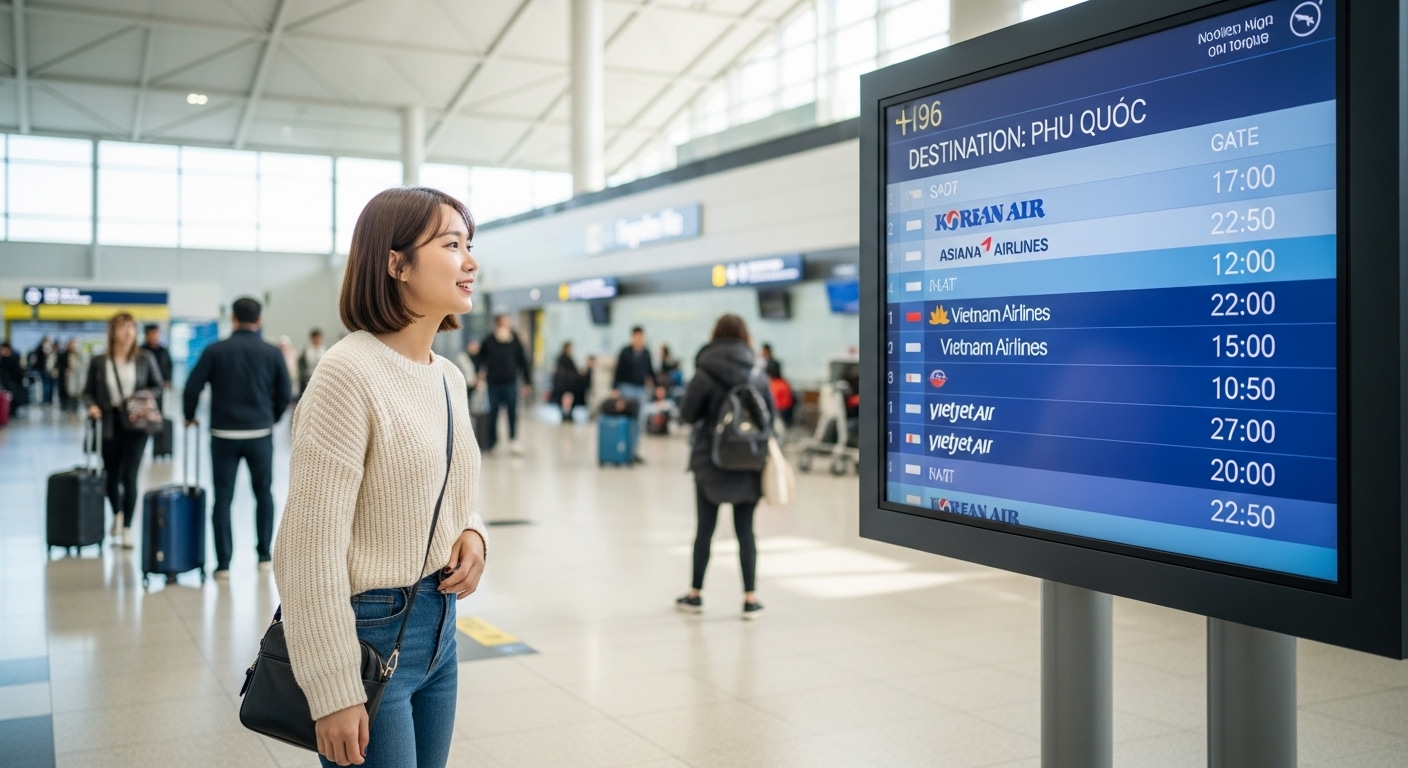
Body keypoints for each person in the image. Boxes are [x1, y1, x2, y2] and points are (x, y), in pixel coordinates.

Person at [273, 186, 487, 768]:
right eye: (451, 244)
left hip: (439, 628)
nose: (470, 261)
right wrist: (334, 688)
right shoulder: (348, 372)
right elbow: (306, 548)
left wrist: (471, 531)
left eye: (470, 244)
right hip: (367, 631)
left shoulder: (449, 376)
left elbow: (454, 485)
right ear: (396, 263)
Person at [182, 297, 291, 577]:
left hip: (223, 435)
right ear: (259, 320)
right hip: (259, 433)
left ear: (232, 319)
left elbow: (191, 387)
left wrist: (189, 414)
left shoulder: (215, 351)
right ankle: (264, 555)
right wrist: (272, 418)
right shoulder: (271, 352)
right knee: (263, 494)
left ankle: (223, 564)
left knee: (223, 498)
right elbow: (284, 392)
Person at [675, 315, 775, 619]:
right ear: (745, 337)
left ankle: (695, 594)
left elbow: (687, 415)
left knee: (705, 530)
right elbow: (770, 416)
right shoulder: (758, 372)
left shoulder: (704, 372)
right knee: (746, 531)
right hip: (750, 460)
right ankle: (750, 599)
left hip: (710, 462)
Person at [84, 313, 164, 548]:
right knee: (111, 475)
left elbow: (158, 386)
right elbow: (87, 391)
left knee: (130, 476)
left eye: (131, 327)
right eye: (122, 327)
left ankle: (127, 527)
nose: (128, 332)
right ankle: (117, 513)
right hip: (110, 424)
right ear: (112, 332)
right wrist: (93, 407)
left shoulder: (145, 358)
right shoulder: (100, 362)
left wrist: (142, 398)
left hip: (137, 424)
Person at [475, 314, 531, 455]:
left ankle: (513, 440)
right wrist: (479, 374)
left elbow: (522, 361)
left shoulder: (514, 340)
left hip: (511, 383)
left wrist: (527, 381)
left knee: (512, 413)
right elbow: (479, 359)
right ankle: (492, 442)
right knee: (493, 413)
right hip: (493, 384)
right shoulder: (489, 340)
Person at [612, 327, 655, 461]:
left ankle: (633, 452)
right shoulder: (625, 352)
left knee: (639, 421)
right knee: (627, 420)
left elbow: (650, 371)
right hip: (627, 388)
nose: (638, 339)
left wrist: (657, 386)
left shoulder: (646, 353)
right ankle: (622, 449)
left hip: (641, 389)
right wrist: (615, 388)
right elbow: (618, 370)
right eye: (636, 336)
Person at [550, 342, 584, 421]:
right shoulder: (563, 359)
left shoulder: (567, 359)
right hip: (565, 383)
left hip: (566, 383)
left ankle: (568, 413)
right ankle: (565, 413)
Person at [0, 342, 27, 418]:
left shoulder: (13, 359)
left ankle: (12, 412)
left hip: (13, 382)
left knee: (13, 398)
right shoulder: (2, 360)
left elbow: (17, 371)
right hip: (5, 382)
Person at [142, 325, 174, 389]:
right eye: (152, 334)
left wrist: (168, 380)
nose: (155, 336)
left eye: (156, 333)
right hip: (145, 386)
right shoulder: (141, 351)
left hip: (161, 385)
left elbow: (169, 366)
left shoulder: (163, 351)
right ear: (147, 335)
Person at [299, 328, 326, 393]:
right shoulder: (306, 352)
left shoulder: (325, 351)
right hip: (308, 378)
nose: (317, 340)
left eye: (318, 338)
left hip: (322, 379)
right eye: (315, 338)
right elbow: (301, 366)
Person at [29, 336, 54, 406]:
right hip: (44, 370)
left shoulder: (45, 349)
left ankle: (48, 400)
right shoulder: (41, 350)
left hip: (48, 370)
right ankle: (45, 401)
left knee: (48, 386)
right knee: (45, 386)